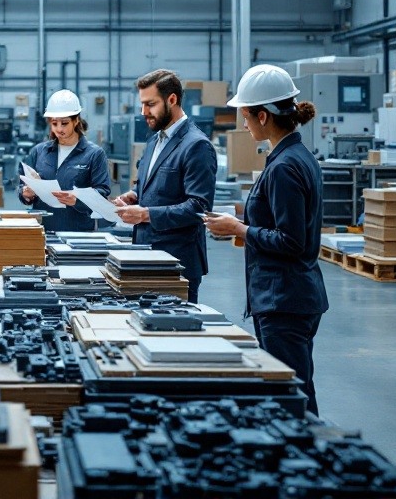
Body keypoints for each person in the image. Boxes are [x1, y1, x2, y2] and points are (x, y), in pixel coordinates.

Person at [203, 64, 329, 416]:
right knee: (295, 388)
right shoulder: (295, 156)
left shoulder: (285, 166)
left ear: (262, 115)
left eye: (245, 115)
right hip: (290, 295)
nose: (243, 124)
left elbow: (291, 240)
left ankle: (306, 459)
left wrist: (240, 229)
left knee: (291, 396)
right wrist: (240, 226)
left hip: (284, 299)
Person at [113, 69, 216, 303]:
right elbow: (148, 186)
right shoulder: (153, 141)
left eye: (150, 104)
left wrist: (146, 214)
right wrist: (133, 195)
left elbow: (198, 207)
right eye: (142, 104)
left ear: (172, 99)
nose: (143, 112)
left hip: (176, 263)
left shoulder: (196, 145)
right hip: (145, 257)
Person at [17, 89, 111, 232]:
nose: (59, 129)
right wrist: (26, 194)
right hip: (43, 232)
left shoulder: (94, 154)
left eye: (65, 123)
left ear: (76, 120)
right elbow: (22, 188)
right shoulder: (39, 152)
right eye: (54, 124)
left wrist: (78, 200)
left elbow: (102, 192)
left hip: (78, 233)